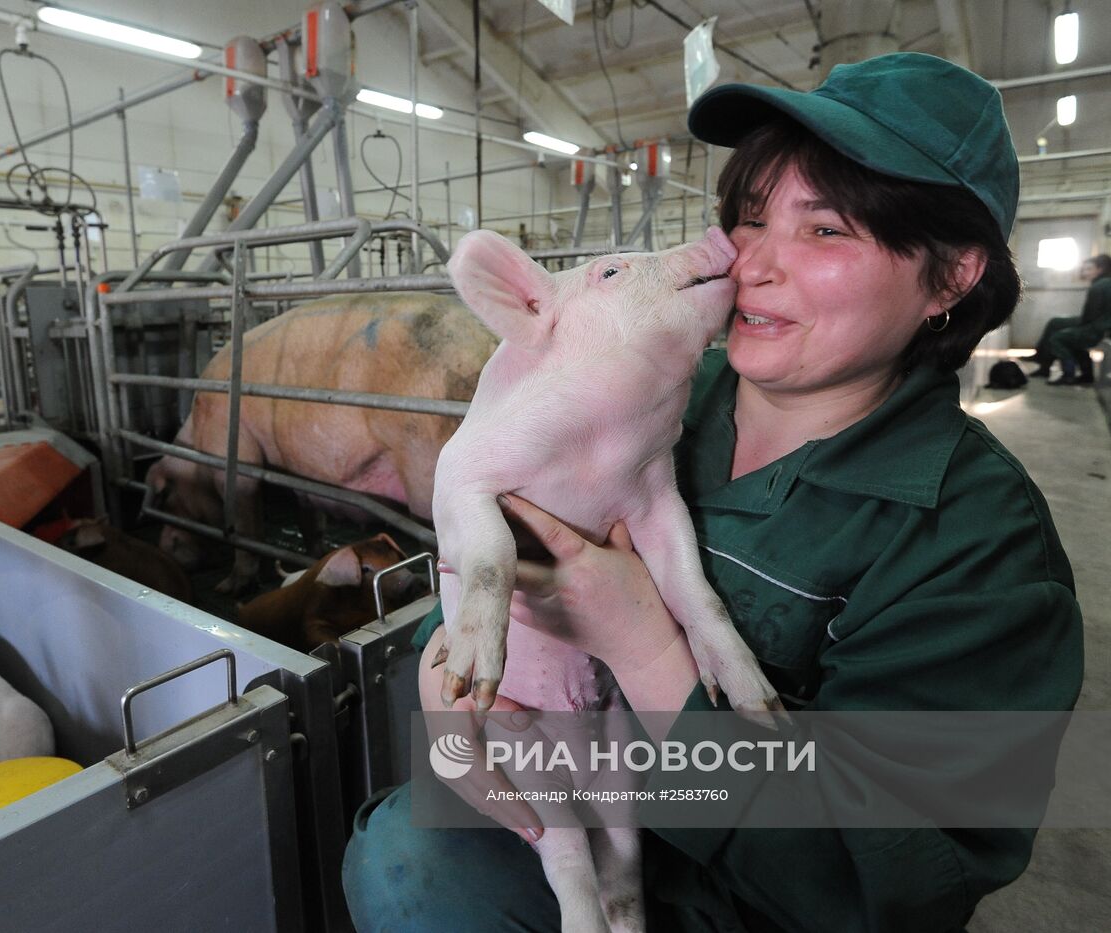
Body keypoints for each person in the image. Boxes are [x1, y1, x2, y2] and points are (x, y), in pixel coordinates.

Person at [340, 53, 1084, 933]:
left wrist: (646, 650)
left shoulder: (980, 546)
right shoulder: (662, 399)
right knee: (397, 853)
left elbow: (892, 882)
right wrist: (445, 686)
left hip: (755, 902)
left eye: (827, 230)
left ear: (953, 275)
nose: (752, 264)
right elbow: (485, 564)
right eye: (753, 218)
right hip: (575, 798)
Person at [1027, 255, 1111, 381]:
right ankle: (1043, 363)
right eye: (1084, 269)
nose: (1084, 272)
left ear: (1100, 269)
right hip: (1100, 323)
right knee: (1055, 322)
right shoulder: (1104, 283)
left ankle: (1067, 374)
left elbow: (1090, 316)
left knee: (1058, 337)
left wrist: (1075, 328)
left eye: (1089, 269)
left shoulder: (1098, 286)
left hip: (1098, 327)